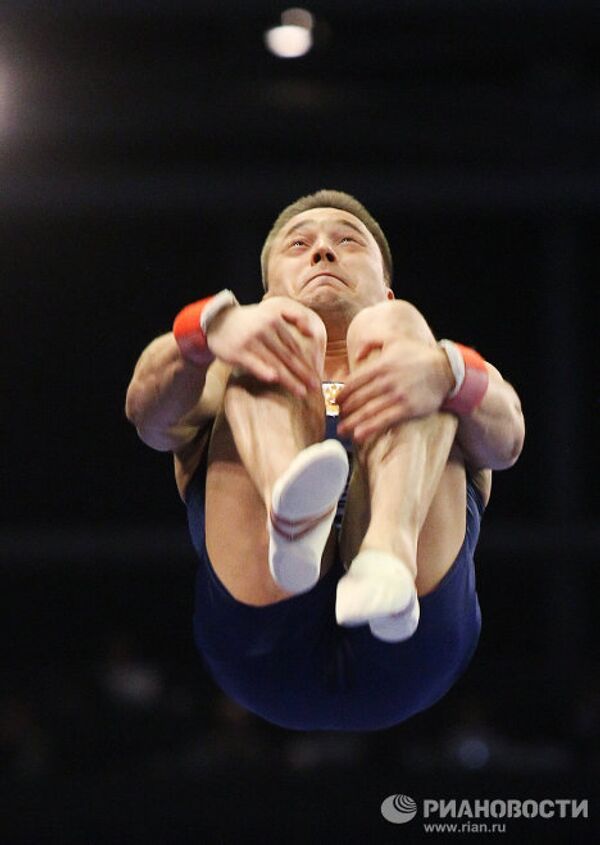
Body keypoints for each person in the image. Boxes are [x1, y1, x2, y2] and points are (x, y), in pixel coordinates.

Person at [125, 190, 525, 732]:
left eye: (346, 241)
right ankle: (291, 518)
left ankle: (388, 553)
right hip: (261, 636)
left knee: (417, 352)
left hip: (413, 630)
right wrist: (209, 331)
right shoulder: (219, 373)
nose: (321, 252)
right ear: (266, 288)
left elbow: (508, 439)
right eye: (300, 244)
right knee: (273, 343)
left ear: (384, 287)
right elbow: (148, 415)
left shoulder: (416, 345)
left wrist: (446, 373)